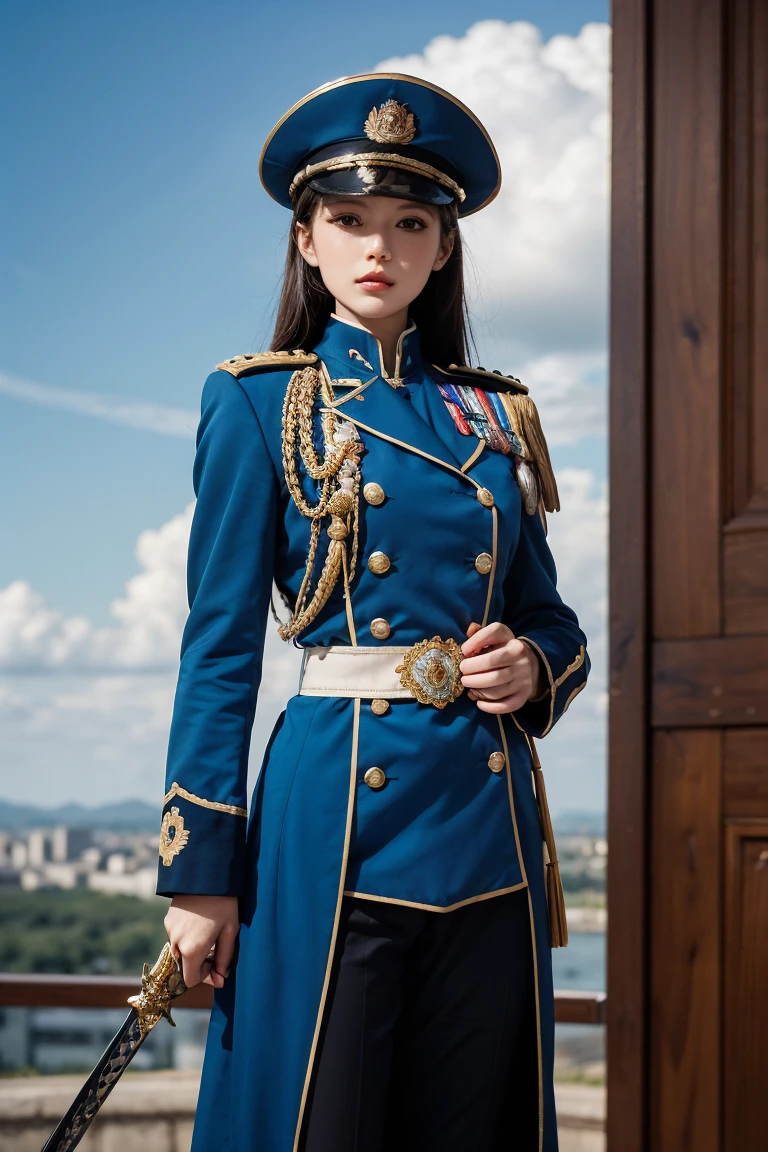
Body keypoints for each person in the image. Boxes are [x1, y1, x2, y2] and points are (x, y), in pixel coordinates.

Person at [156, 72, 591, 1152]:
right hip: (332, 823)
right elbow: (217, 648)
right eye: (348, 220)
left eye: (409, 223)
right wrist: (199, 876)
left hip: (485, 832)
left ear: (444, 248)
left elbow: (552, 616)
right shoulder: (259, 400)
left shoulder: (497, 417)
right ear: (306, 239)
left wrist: (534, 667)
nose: (377, 247)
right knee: (321, 1122)